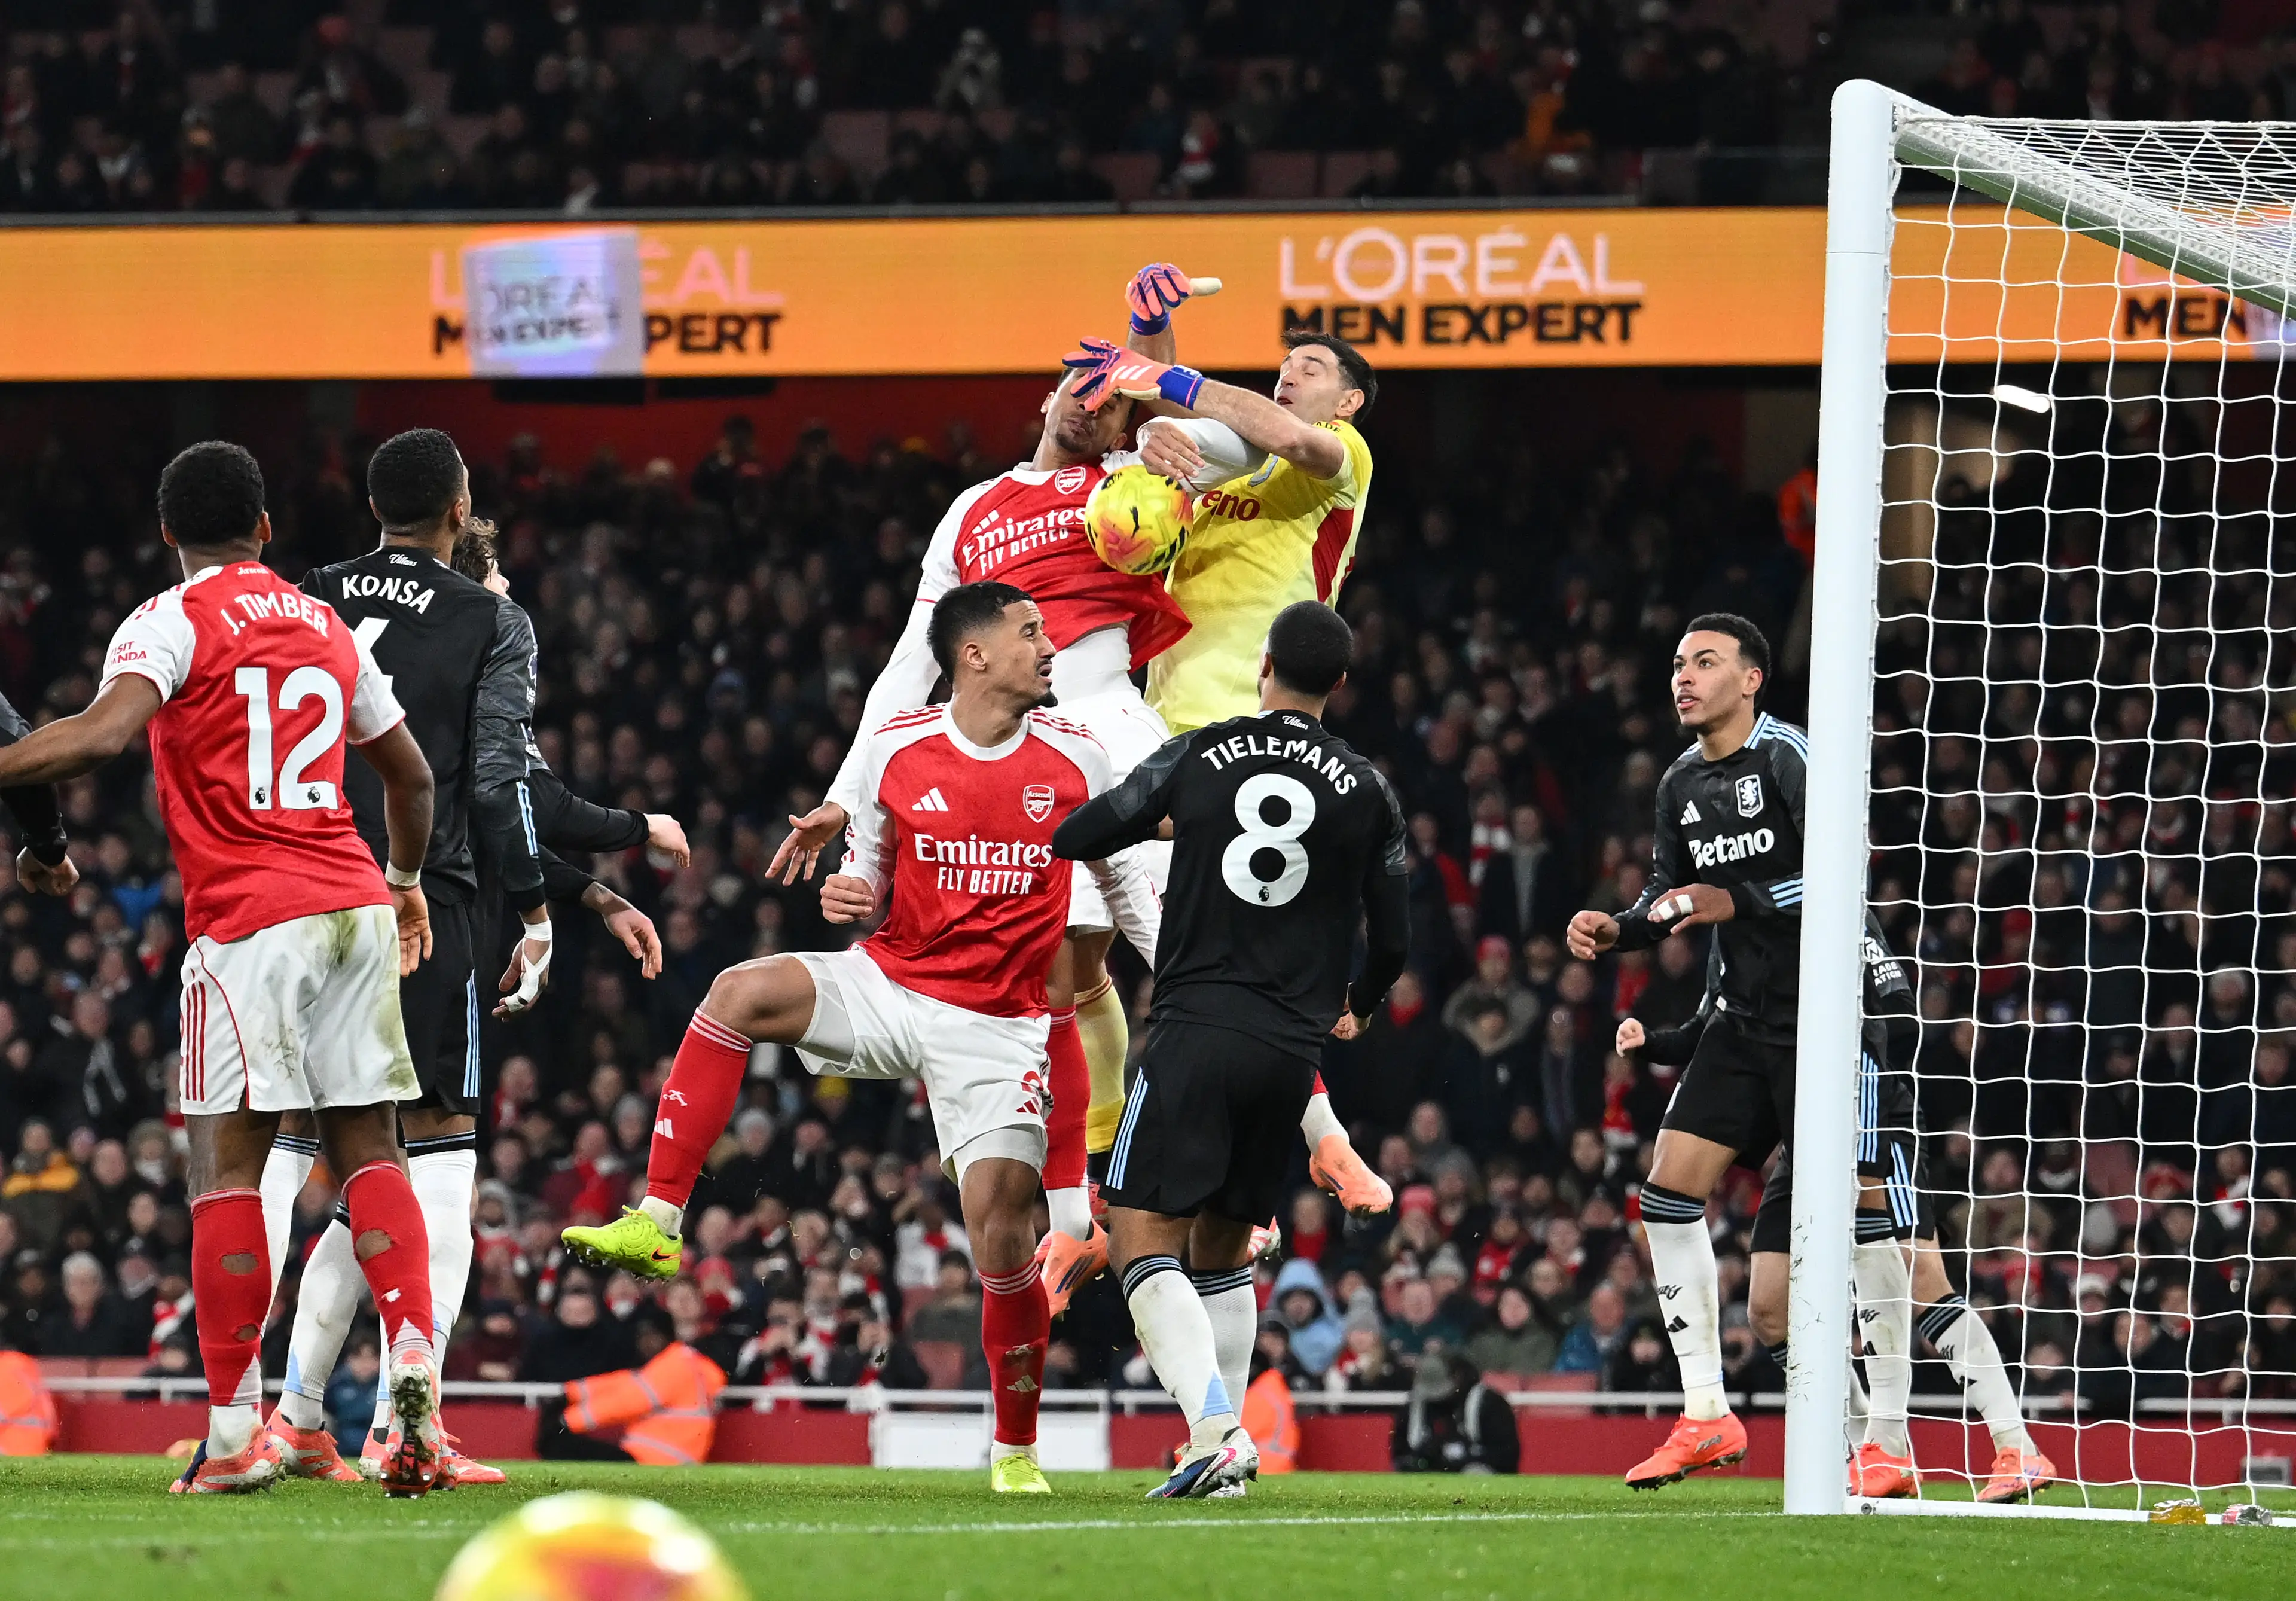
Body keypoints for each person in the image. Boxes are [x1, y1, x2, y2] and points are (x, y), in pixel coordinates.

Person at [564, 583, 1159, 1495]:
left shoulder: (1081, 758)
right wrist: (848, 895)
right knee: (736, 993)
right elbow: (865, 877)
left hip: (999, 1029)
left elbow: (1121, 896)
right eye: (1032, 632)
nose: (1051, 647)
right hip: (892, 980)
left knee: (1001, 1238)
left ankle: (1014, 1452)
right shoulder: (898, 747)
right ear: (975, 655)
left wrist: (1185, 964)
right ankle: (660, 1219)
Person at [0, 441, 444, 1495]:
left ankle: (236, 1433)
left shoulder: (169, 618)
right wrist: (409, 877)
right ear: (267, 527)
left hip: (248, 924)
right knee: (369, 1147)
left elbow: (104, 737)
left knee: (227, 1171)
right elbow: (412, 775)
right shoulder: (325, 622)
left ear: (168, 534)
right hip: (352, 901)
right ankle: (416, 1358)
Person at [762, 354, 1193, 1314]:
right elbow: (905, 669)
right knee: (1066, 975)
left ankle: (1278, 1132)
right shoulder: (973, 509)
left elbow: (1235, 443)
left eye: (1117, 401)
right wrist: (845, 790)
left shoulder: (1127, 485)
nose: (1098, 404)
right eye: (1087, 386)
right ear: (1047, 395)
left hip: (1108, 736)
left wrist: (1161, 374)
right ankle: (1082, 1213)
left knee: (1168, 960)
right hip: (1009, 757)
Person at [1051, 601, 1407, 1499]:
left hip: (1195, 1033)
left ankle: (1213, 1430)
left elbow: (1093, 828)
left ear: (1264, 665)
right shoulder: (1368, 788)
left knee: (1137, 1240)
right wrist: (1358, 1006)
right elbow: (1394, 940)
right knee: (1221, 1250)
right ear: (1338, 684)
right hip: (1289, 1058)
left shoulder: (1205, 753)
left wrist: (1162, 827)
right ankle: (1229, 1451)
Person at [253, 429, 548, 1487]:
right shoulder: (490, 617)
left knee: (341, 1158)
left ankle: (285, 1414)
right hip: (419, 904)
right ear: (461, 505)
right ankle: (401, 1423)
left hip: (289, 894)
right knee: (439, 1171)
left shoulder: (302, 593)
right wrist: (547, 909)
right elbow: (493, 781)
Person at [1070, 270, 1393, 1222]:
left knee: (1196, 970)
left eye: (1309, 367)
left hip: (1253, 741)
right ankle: (1280, 1163)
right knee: (1095, 958)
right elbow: (1200, 430)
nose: (1288, 379)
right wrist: (1151, 334)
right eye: (1281, 366)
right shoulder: (1228, 481)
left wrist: (1159, 377)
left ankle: (1296, 1148)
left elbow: (1281, 432)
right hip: (1157, 729)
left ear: (1350, 399)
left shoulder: (1336, 460)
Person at [1626, 921, 2059, 1505]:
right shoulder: (1736, 934)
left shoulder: (1833, 903)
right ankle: (1865, 1454)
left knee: (1922, 1280)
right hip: (1801, 1133)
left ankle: (2015, 1445)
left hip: (1876, 1118)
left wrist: (1870, 1109)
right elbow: (1709, 1027)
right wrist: (1652, 1042)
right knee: (1769, 1308)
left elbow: (1899, 1009)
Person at [1564, 613, 1809, 1491]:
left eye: (1706, 662)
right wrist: (1620, 927)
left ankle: (1877, 1429)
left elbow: (1836, 874)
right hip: (1742, 1021)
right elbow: (1672, 893)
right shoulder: (1678, 783)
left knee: (1878, 1239)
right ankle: (1706, 1412)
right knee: (1666, 1190)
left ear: (1751, 678)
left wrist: (1734, 900)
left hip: (1824, 1020)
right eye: (1677, 663)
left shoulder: (1788, 757)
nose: (1684, 677)